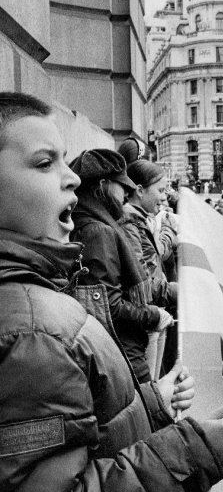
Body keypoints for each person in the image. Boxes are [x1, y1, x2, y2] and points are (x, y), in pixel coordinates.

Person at [0, 93, 223, 492]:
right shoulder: (34, 332)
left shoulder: (37, 300)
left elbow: (77, 443)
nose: (71, 178)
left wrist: (153, 408)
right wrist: (190, 453)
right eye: (45, 163)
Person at [70, 149, 173, 383]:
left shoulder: (92, 224)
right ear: (103, 185)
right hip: (124, 350)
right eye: (122, 187)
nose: (126, 194)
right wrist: (153, 314)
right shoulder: (97, 231)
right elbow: (109, 306)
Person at [121, 159, 178, 379]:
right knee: (150, 388)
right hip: (145, 317)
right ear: (139, 190)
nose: (164, 196)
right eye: (161, 190)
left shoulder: (141, 221)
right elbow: (140, 279)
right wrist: (175, 291)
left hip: (153, 313)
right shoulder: (130, 223)